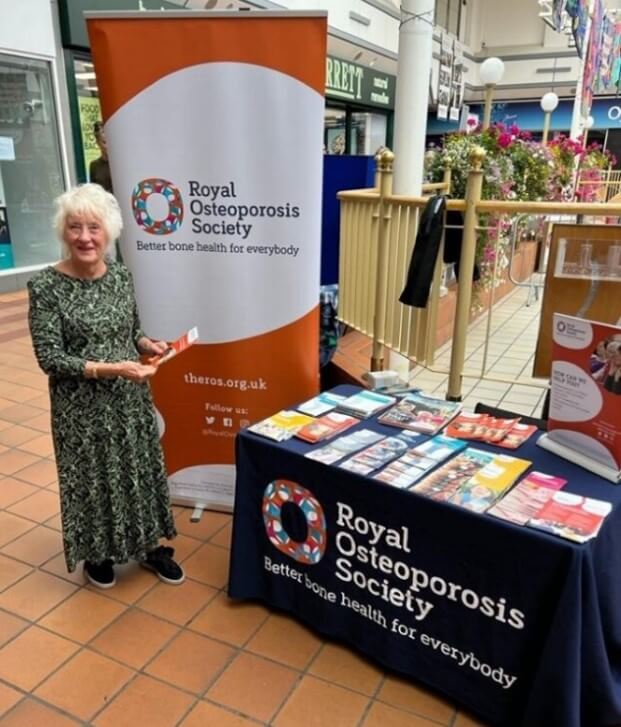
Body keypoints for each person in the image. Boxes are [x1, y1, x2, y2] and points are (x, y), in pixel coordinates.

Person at [27, 184, 184, 589]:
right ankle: (98, 555)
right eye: (74, 227)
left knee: (138, 472)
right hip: (80, 408)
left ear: (108, 232)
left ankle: (149, 547)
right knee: (93, 478)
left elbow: (131, 331)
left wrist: (150, 344)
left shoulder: (120, 276)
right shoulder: (45, 287)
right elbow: (51, 359)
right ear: (63, 232)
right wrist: (110, 369)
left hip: (130, 399)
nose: (84, 237)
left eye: (93, 227)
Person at [89, 121, 113, 193]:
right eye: (104, 142)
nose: (108, 146)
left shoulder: (120, 163)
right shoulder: (94, 166)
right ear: (98, 143)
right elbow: (94, 192)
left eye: (111, 141)